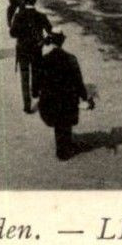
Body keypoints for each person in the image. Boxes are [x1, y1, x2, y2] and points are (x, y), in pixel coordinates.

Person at [36, 31, 94, 160]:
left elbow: (39, 80)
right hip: (68, 98)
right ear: (62, 41)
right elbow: (78, 81)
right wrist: (85, 97)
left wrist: (39, 94)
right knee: (66, 122)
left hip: (51, 99)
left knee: (58, 123)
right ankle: (64, 148)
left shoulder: (45, 59)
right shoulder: (71, 58)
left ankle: (61, 149)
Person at [9, 0, 54, 113]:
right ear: (34, 1)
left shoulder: (19, 16)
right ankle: (35, 92)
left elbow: (12, 34)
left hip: (23, 50)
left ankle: (27, 106)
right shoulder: (41, 16)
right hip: (36, 50)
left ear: (23, 1)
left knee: (24, 78)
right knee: (36, 72)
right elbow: (52, 33)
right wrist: (46, 41)